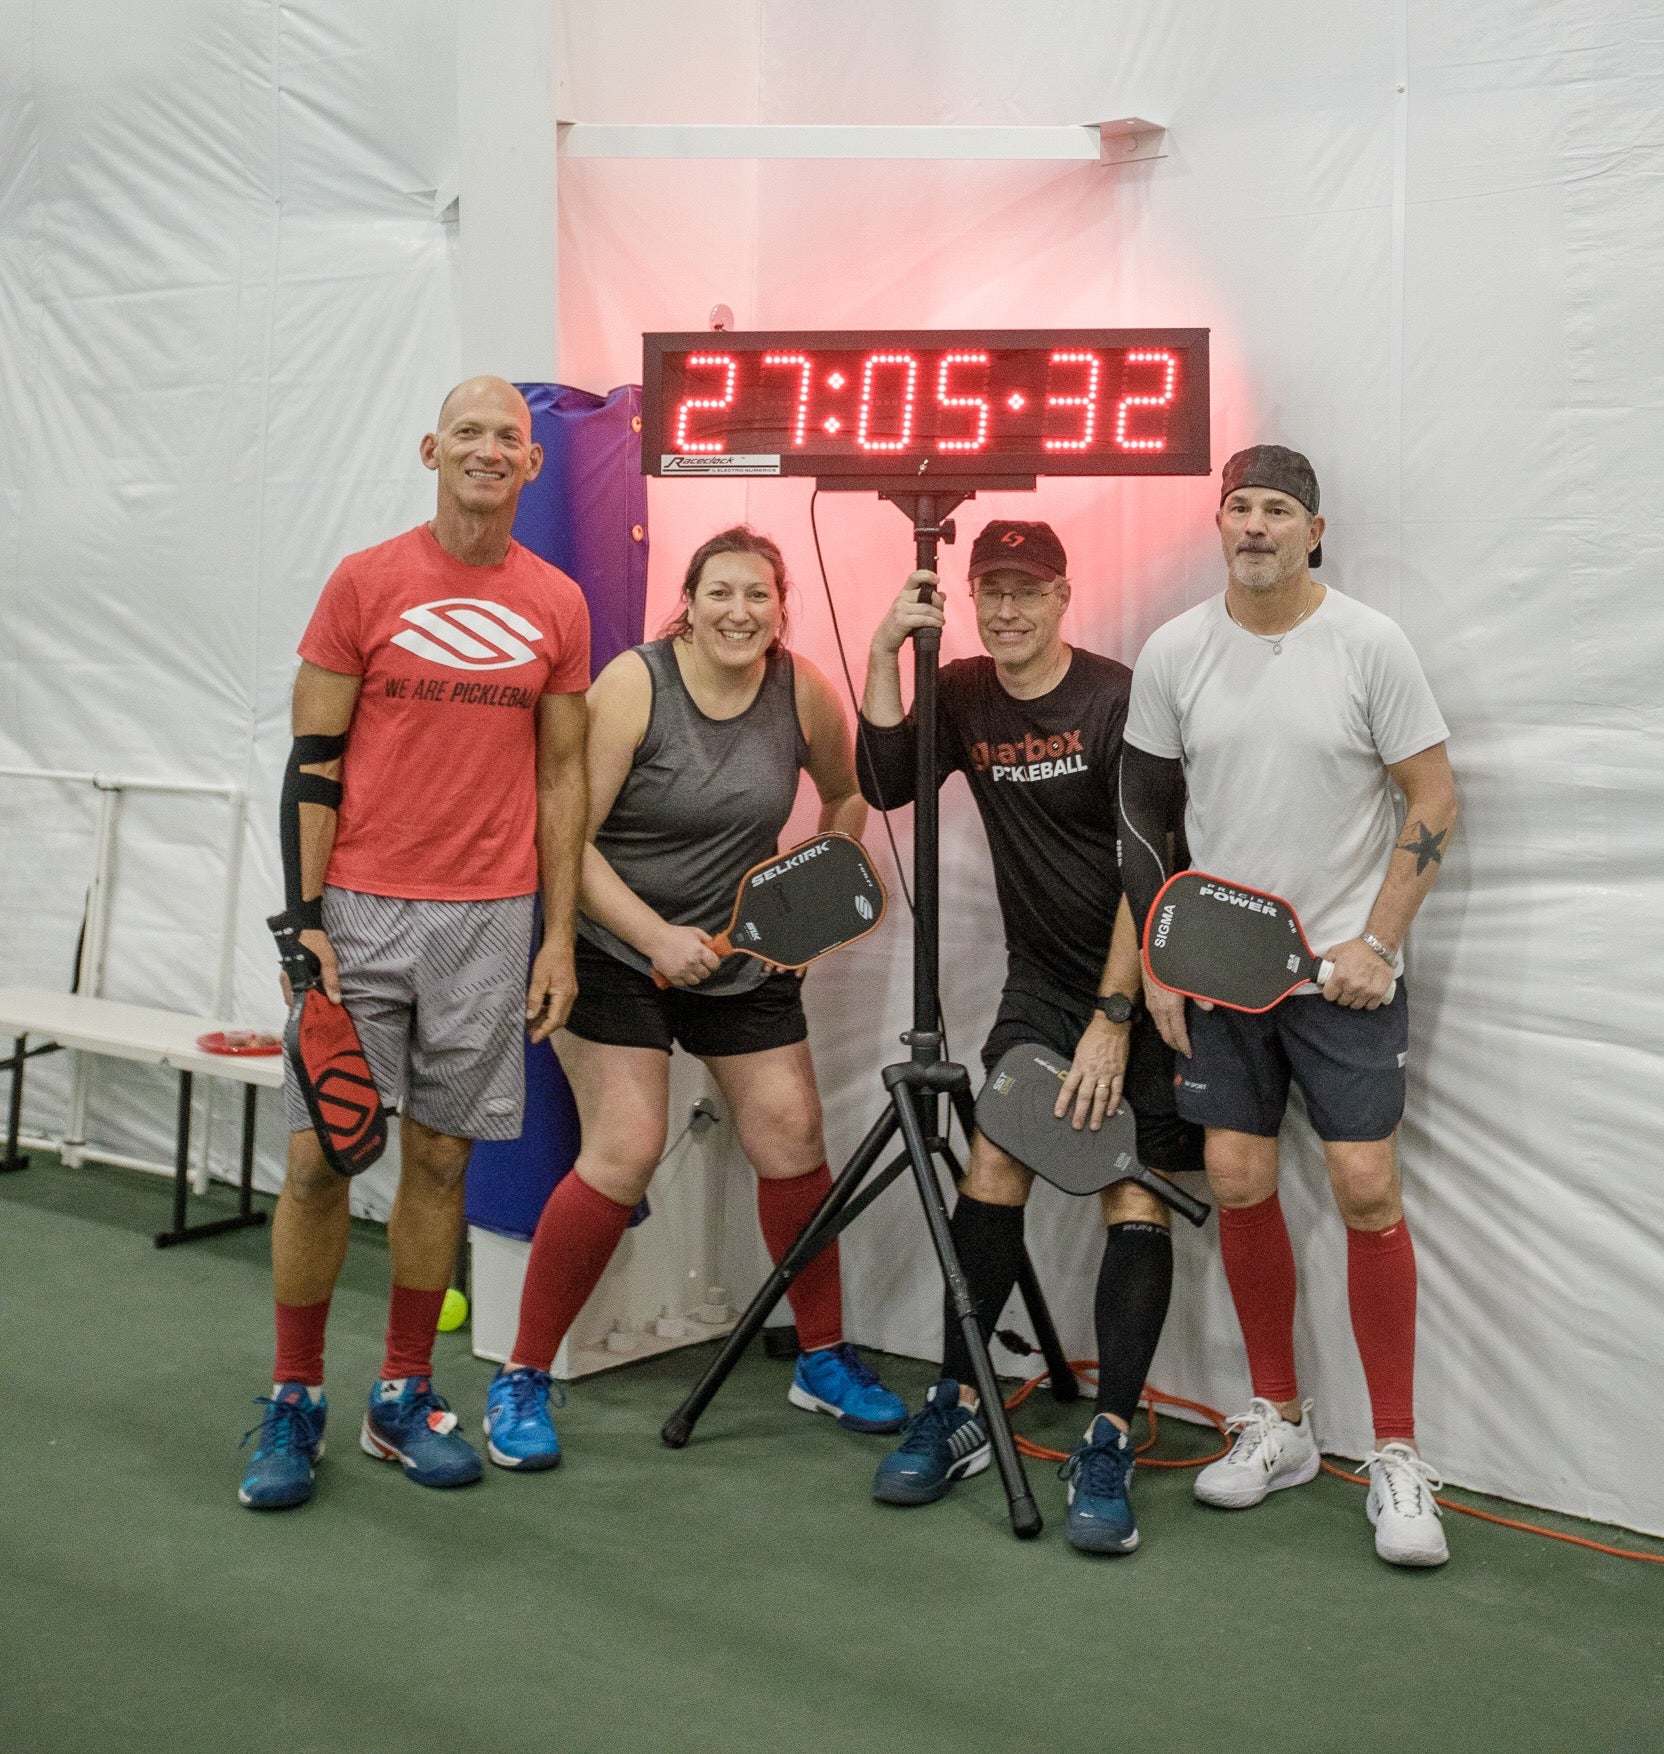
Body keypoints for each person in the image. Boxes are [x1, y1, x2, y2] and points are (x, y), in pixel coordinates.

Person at [481, 525, 907, 1470]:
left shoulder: (800, 690)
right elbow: (567, 837)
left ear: (781, 605)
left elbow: (846, 799)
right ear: (690, 599)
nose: (740, 611)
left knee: (793, 1131)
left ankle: (823, 1359)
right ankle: (522, 1375)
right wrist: (653, 940)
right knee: (625, 1147)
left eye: (758, 594)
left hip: (734, 957)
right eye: (721, 593)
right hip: (610, 945)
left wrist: (806, 905)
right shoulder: (636, 685)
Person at [238, 377, 590, 1510]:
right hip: (361, 909)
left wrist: (558, 937)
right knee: (318, 1158)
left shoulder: (558, 602)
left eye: (512, 439)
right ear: (432, 449)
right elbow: (312, 760)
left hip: (492, 920)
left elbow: (563, 776)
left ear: (532, 467)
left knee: (441, 1159)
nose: (491, 451)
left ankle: (403, 1393)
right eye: (472, 433)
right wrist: (302, 928)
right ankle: (294, 1396)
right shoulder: (366, 580)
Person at [1117, 444, 1461, 1567]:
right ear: (1218, 526)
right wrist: (1160, 960)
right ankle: (1279, 1421)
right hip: (1217, 972)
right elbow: (1139, 816)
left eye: (1276, 510)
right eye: (1238, 508)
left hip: (1341, 976)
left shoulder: (1367, 643)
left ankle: (1398, 1456)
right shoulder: (1176, 649)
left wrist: (1378, 938)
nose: (1253, 525)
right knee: (1234, 1175)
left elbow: (1433, 792)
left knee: (1365, 1186)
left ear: (1314, 530)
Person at [856, 519, 1205, 1557]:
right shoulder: (960, 691)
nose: (1005, 610)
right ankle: (960, 1400)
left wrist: (1114, 1017)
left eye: (1026, 591)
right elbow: (882, 783)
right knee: (994, 1162)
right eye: (987, 591)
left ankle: (1107, 1436)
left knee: (1132, 1191)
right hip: (1036, 984)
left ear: (1062, 595)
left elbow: (1147, 862)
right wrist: (882, 653)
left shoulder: (1112, 695)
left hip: (1136, 977)